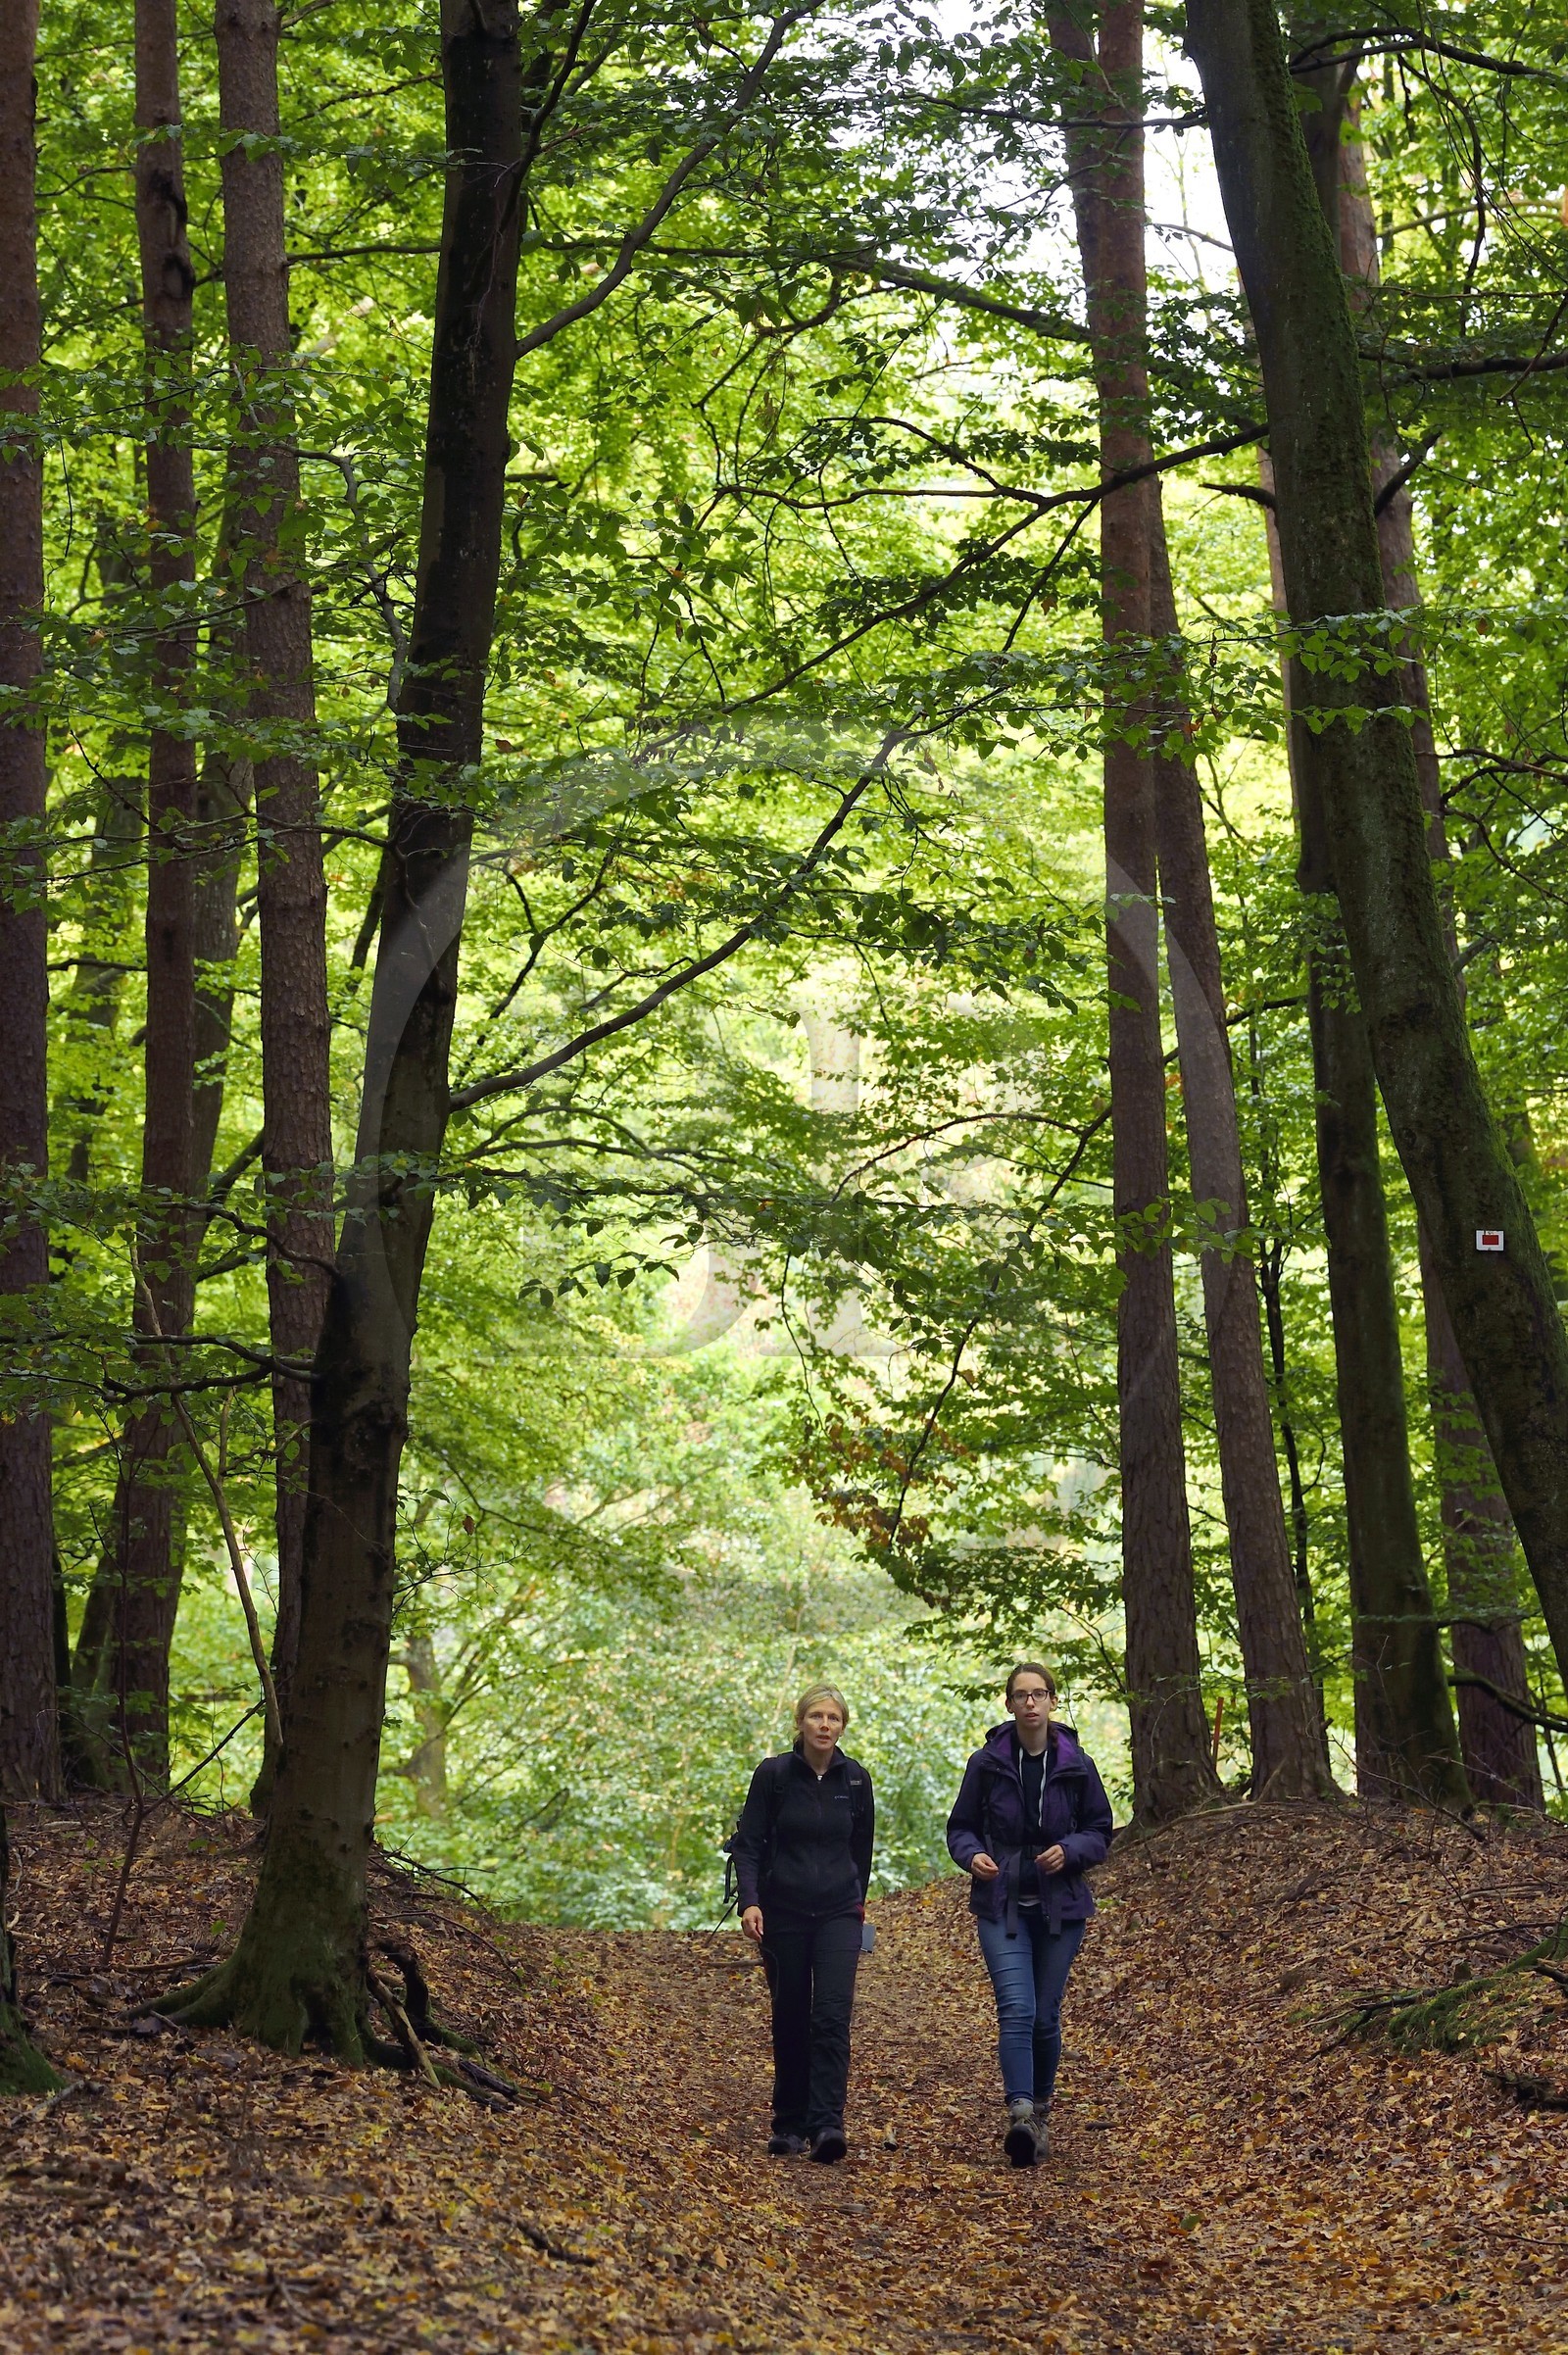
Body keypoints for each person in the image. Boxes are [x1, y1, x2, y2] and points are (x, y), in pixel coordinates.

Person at [946, 1662, 1113, 2166]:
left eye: (1039, 1694)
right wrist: (972, 1854)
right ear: (1009, 1704)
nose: (1031, 1703)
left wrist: (1071, 1849)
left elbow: (1101, 1829)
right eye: (1021, 1695)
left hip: (1061, 1905)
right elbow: (961, 1827)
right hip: (1001, 1901)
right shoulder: (987, 1762)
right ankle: (1019, 2114)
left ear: (1053, 1702)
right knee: (1016, 2008)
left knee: (1045, 2014)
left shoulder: (1077, 1763)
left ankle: (1041, 2109)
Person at [732, 1684, 874, 2164]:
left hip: (838, 1914)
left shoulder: (855, 1780)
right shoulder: (773, 1776)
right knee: (791, 2015)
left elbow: (862, 1850)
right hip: (783, 1914)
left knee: (832, 2017)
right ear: (801, 1722)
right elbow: (748, 1845)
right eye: (816, 1716)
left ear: (843, 1725)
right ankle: (788, 2124)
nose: (824, 1725)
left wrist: (857, 1905)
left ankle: (828, 2124)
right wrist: (751, 1902)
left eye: (833, 1717)